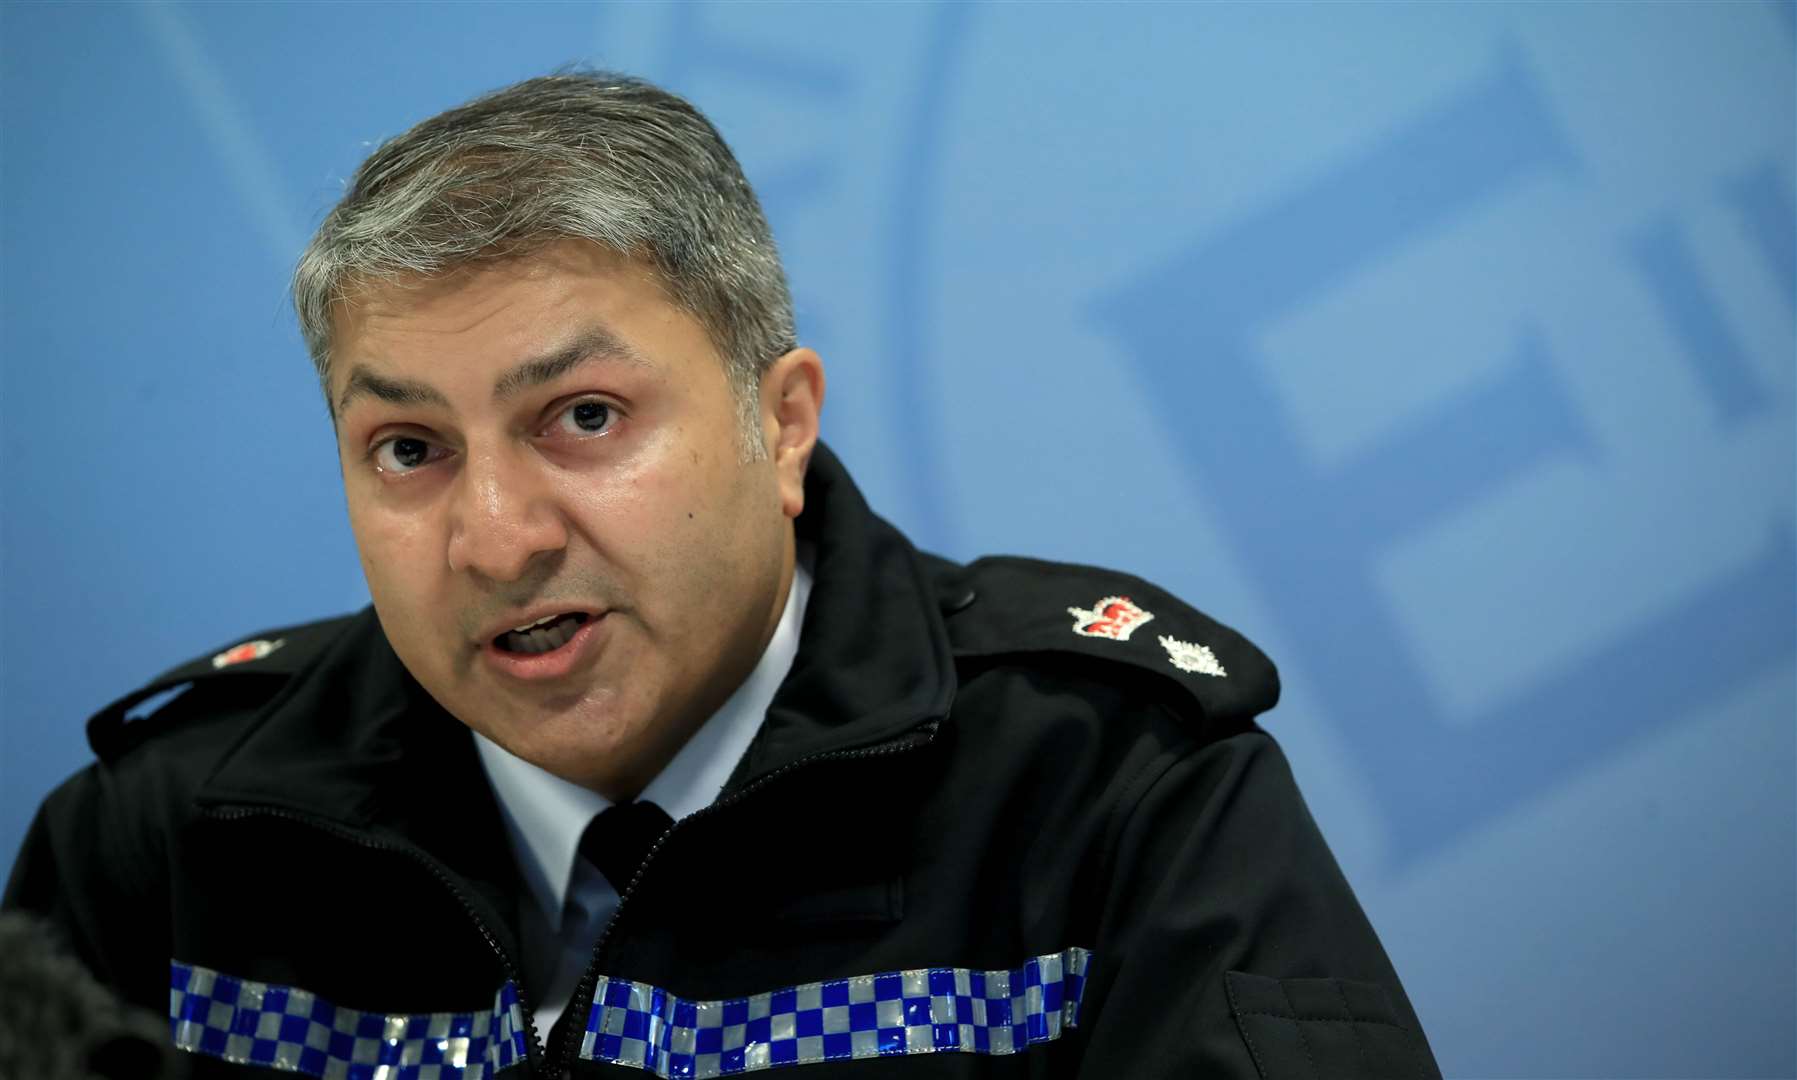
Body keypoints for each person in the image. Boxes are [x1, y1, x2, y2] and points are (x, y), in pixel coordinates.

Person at [5, 72, 1441, 1079]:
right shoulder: (162, 846)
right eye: (406, 448)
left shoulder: (1112, 795)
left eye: (583, 419)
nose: (496, 539)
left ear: (781, 423)